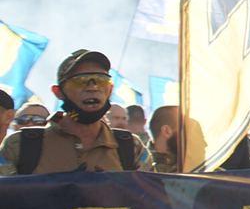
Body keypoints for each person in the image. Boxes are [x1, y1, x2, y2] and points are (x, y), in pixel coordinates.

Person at [0, 50, 153, 175]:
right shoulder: (21, 145)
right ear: (58, 92)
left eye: (101, 80)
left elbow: (156, 204)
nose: (93, 87)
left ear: (110, 89)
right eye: (80, 80)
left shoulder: (130, 147)